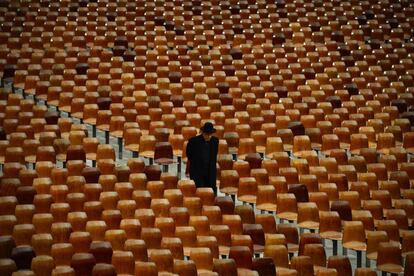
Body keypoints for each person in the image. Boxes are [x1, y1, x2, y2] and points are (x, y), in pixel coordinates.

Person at [186, 122, 219, 195]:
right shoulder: (193, 141)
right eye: (207, 134)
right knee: (199, 191)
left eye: (210, 134)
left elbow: (214, 155)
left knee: (209, 193)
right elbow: (189, 155)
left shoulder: (215, 141)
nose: (209, 136)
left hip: (210, 171)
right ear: (203, 133)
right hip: (197, 171)